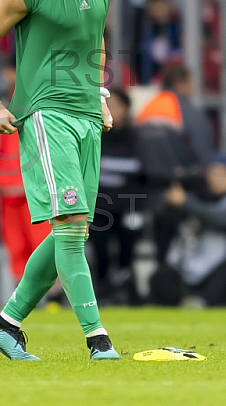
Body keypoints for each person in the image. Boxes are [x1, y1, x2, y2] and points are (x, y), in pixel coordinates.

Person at [0, 0, 120, 361]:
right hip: (45, 113)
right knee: (72, 227)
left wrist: (99, 94)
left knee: (71, 232)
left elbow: (93, 37)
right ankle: (98, 339)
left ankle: (6, 325)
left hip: (86, 115)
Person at [135, 64, 215, 265]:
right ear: (182, 83)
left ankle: (161, 277)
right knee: (186, 238)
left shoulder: (148, 106)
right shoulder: (184, 108)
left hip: (150, 186)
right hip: (182, 184)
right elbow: (202, 146)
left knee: (161, 241)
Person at [150, 153, 226, 308]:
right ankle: (180, 301)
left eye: (222, 174)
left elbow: (222, 219)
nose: (217, 179)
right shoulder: (196, 197)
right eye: (213, 174)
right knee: (161, 276)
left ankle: (203, 301)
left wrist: (186, 202)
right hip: (187, 267)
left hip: (215, 273)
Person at [0, 57, 51, 282]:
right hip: (10, 190)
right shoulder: (1, 105)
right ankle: (23, 298)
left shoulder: (42, 103)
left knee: (41, 243)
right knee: (16, 246)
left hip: (37, 187)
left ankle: (51, 297)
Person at [90, 89, 144, 305]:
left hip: (128, 203)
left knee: (127, 249)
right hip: (99, 203)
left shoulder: (135, 136)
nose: (111, 110)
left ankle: (127, 292)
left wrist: (104, 165)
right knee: (99, 249)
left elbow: (138, 166)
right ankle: (102, 292)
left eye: (117, 105)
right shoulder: (94, 132)